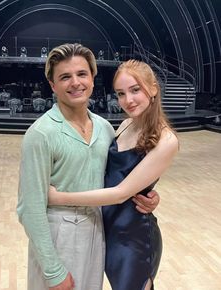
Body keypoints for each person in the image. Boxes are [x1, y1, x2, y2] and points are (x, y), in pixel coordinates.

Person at [17, 44, 160, 290]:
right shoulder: (40, 134)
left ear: (92, 79)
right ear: (53, 85)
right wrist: (53, 271)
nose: (75, 83)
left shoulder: (105, 128)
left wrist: (149, 195)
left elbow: (117, 179)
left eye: (81, 74)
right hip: (58, 237)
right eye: (65, 77)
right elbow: (29, 209)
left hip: (97, 233)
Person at [48, 59, 179, 290]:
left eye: (135, 90)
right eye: (121, 93)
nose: (128, 100)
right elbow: (116, 173)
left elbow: (120, 193)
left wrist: (59, 197)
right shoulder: (126, 124)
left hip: (134, 239)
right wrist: (151, 194)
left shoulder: (166, 140)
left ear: (153, 88)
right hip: (108, 232)